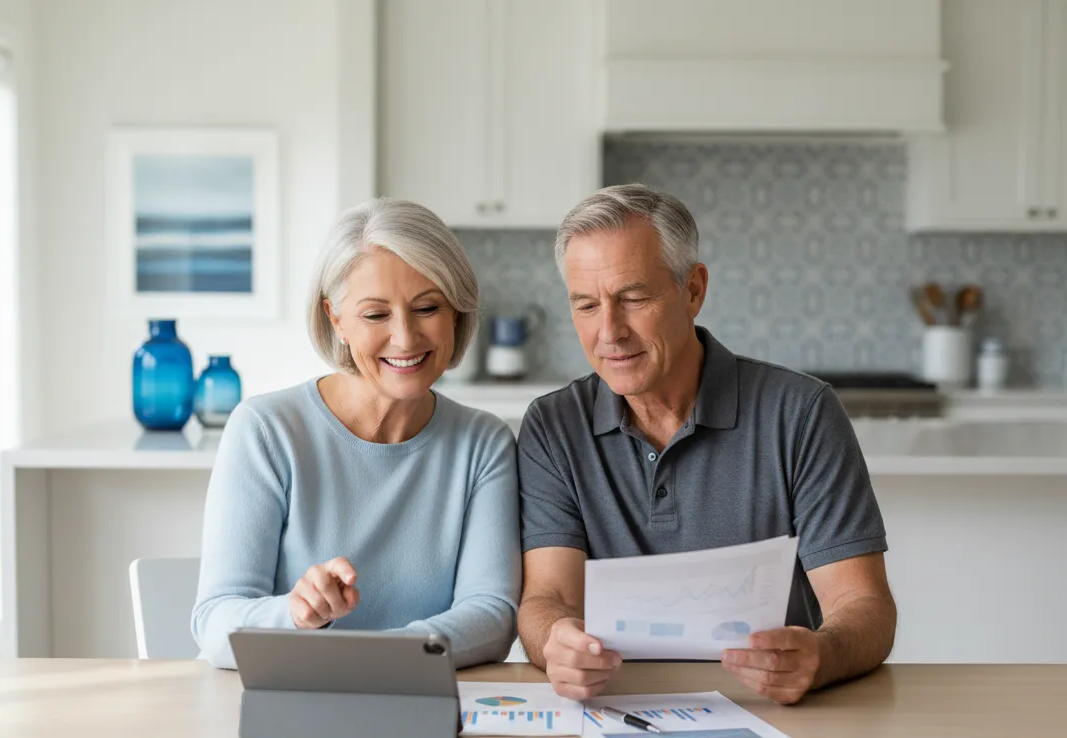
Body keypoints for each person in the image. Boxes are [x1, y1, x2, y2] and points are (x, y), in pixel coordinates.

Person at [516, 184, 896, 705]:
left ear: (693, 289)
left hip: (776, 715)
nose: (610, 332)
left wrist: (820, 656)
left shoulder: (801, 413)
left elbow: (864, 605)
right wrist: (553, 642)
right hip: (617, 712)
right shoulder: (553, 425)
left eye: (633, 298)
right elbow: (548, 598)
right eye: (586, 305)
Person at [192, 199, 521, 670]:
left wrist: (376, 658)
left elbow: (492, 615)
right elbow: (214, 622)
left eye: (427, 307)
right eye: (375, 315)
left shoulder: (483, 444)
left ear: (457, 314)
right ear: (336, 319)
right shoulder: (266, 431)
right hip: (296, 705)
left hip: (425, 705)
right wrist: (295, 612)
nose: (405, 338)